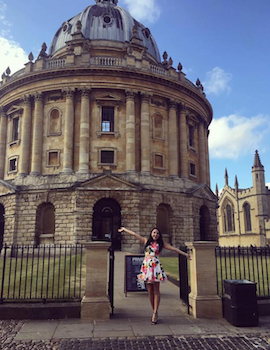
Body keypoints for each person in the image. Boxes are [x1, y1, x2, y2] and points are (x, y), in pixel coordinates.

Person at [118, 227, 190, 325]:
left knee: (156, 291)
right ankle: (154, 311)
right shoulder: (146, 241)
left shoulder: (161, 244)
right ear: (151, 233)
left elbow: (174, 249)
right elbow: (134, 234)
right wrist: (125, 229)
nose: (155, 234)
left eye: (157, 233)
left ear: (159, 235)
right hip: (147, 267)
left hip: (155, 267)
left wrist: (185, 255)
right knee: (150, 291)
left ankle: (155, 312)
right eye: (154, 232)